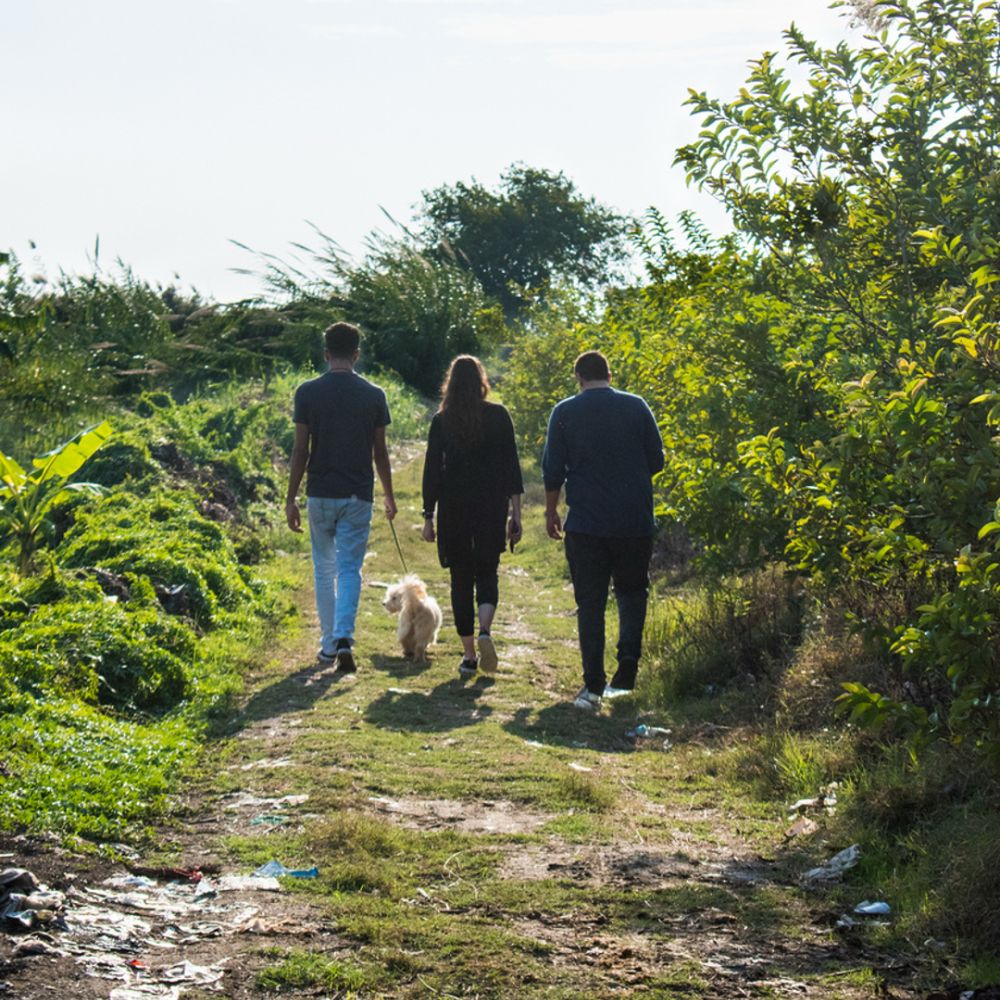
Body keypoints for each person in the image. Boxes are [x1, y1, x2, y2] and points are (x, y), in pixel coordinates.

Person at [542, 350, 664, 710]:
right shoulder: (637, 406)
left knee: (590, 603)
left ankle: (592, 685)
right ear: (610, 375)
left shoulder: (564, 412)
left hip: (586, 524)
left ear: (578, 377)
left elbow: (553, 470)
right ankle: (627, 665)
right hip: (634, 521)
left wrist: (551, 512)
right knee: (632, 593)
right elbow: (656, 460)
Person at [286, 322, 397, 671]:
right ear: (357, 355)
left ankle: (329, 647)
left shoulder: (307, 392)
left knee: (324, 570)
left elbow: (300, 450)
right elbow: (380, 452)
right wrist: (390, 496)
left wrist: (291, 498)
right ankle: (345, 638)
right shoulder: (374, 394)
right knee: (350, 569)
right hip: (358, 495)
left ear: (326, 353)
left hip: (320, 493)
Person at [421, 355, 523, 677]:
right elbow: (512, 469)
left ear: (450, 383)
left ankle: (468, 656)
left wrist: (428, 515)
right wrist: (515, 514)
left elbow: (432, 472)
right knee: (488, 571)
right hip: (491, 506)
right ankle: (485, 630)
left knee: (461, 580)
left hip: (454, 510)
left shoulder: (443, 420)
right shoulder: (499, 415)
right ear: (481, 381)